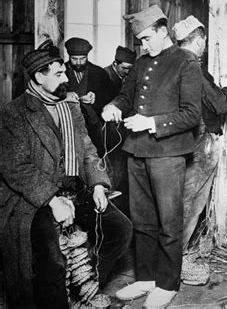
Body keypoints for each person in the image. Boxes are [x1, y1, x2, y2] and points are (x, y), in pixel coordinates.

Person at [0, 41, 133, 308]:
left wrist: (97, 185)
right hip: (35, 199)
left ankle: (85, 284)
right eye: (59, 74)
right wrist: (52, 201)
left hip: (75, 189)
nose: (66, 79)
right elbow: (15, 168)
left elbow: (86, 149)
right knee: (53, 260)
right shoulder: (14, 113)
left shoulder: (70, 106)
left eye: (64, 72)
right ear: (39, 76)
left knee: (120, 229)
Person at [102, 5, 202, 307]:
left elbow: (191, 115)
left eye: (147, 39)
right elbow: (125, 95)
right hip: (137, 151)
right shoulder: (143, 63)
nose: (143, 46)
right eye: (140, 41)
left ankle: (168, 283)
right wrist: (115, 106)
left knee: (168, 222)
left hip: (168, 154)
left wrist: (152, 123)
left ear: (162, 31)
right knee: (142, 219)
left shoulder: (186, 62)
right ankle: (146, 278)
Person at [173, 15, 227, 285]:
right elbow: (219, 104)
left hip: (177, 142)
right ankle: (178, 260)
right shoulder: (193, 67)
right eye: (204, 41)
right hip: (201, 141)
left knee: (179, 199)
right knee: (192, 201)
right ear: (198, 41)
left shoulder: (168, 63)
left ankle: (175, 254)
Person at [103, 46, 137, 217]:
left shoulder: (129, 78)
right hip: (108, 136)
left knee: (124, 174)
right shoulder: (103, 76)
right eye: (124, 68)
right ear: (115, 63)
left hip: (125, 134)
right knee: (114, 172)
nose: (127, 72)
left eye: (130, 69)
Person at [65, 37, 113, 157]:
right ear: (68, 56)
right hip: (66, 124)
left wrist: (96, 97)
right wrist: (65, 96)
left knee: (93, 157)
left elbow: (112, 94)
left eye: (82, 59)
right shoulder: (60, 72)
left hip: (93, 127)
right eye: (74, 59)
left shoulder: (99, 72)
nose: (78, 62)